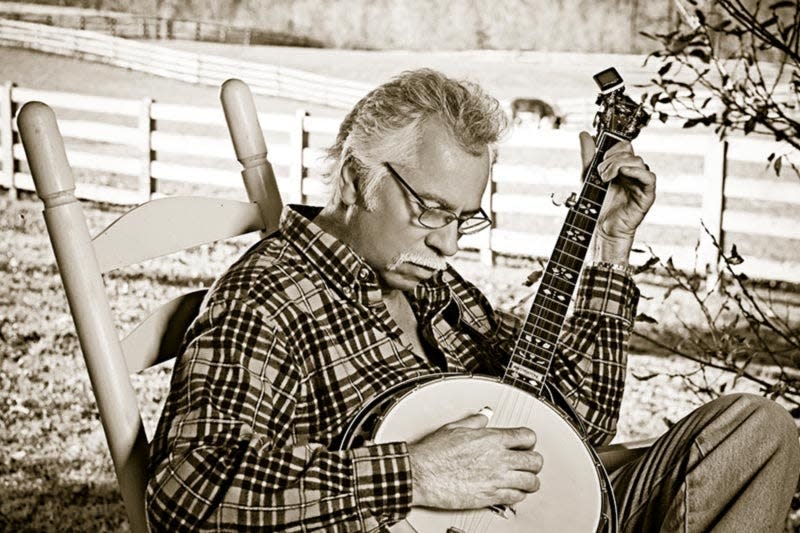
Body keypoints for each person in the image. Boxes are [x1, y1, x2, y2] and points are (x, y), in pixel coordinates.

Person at [146, 68, 800, 532]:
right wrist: (415, 473)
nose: (450, 242)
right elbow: (186, 491)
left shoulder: (434, 284)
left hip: (540, 507)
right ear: (357, 179)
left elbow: (581, 422)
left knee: (755, 432)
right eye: (432, 210)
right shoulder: (270, 296)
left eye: (465, 218)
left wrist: (611, 249)